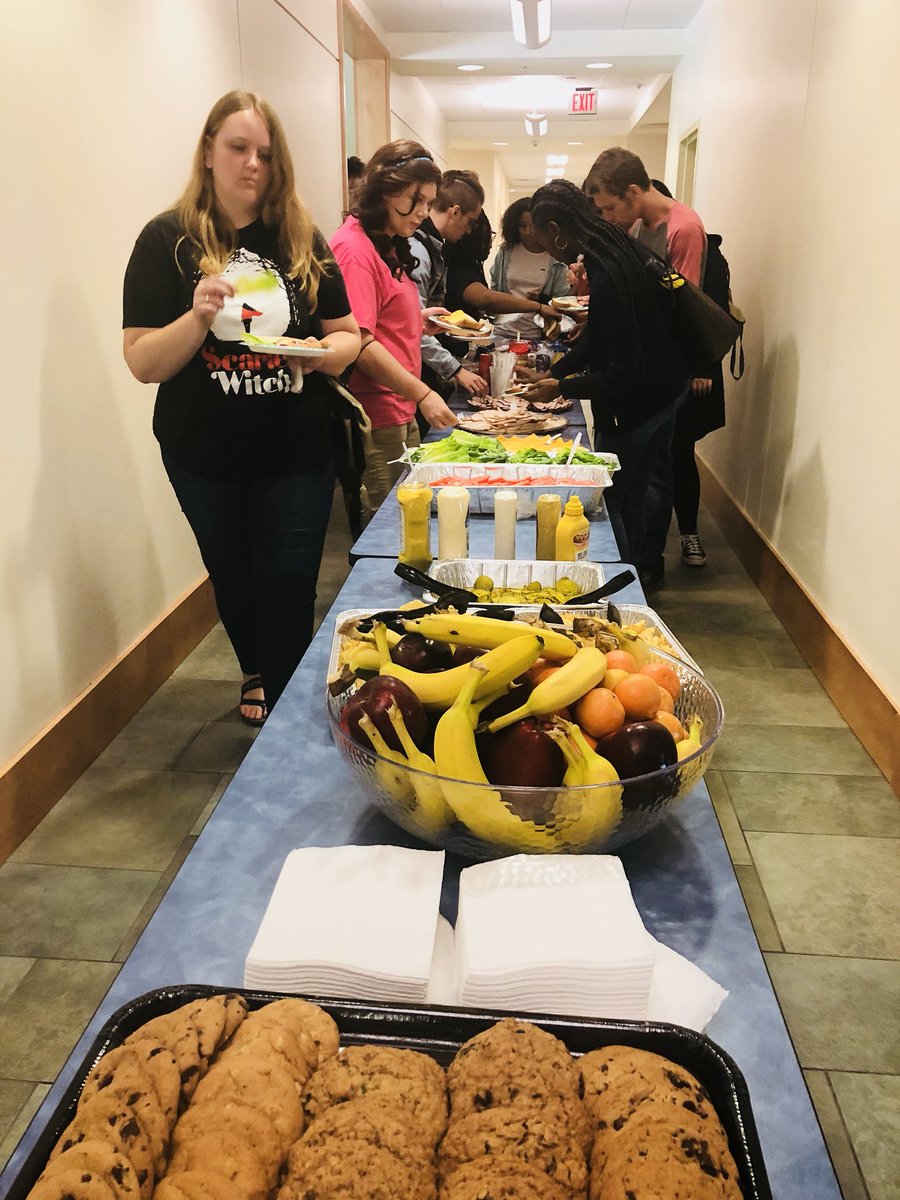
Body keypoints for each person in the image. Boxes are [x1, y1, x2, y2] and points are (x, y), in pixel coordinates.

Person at [123, 90, 362, 725]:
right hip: (203, 455)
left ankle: (286, 716)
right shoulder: (165, 241)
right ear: (208, 152)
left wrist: (320, 352)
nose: (252, 163)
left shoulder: (301, 238)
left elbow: (347, 335)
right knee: (232, 578)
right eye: (237, 147)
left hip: (297, 451)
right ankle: (255, 665)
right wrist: (198, 316)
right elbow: (143, 361)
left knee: (289, 590)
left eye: (265, 152)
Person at [522, 180, 690, 569]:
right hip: (666, 388)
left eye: (541, 236)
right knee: (636, 491)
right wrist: (557, 370)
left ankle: (624, 583)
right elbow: (599, 335)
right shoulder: (612, 245)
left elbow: (624, 373)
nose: (544, 249)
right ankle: (644, 570)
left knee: (612, 499)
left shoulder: (607, 270)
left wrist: (561, 386)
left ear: (555, 232)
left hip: (645, 399)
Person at [585, 149, 712, 582]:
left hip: (667, 373)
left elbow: (683, 305)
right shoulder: (639, 224)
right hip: (648, 370)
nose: (607, 216)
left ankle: (647, 564)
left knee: (653, 476)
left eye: (608, 207)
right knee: (645, 477)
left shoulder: (684, 228)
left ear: (634, 192)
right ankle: (640, 563)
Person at [330, 140, 457, 513]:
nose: (422, 213)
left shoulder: (385, 241)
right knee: (389, 529)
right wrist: (422, 393)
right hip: (377, 412)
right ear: (384, 190)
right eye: (414, 201)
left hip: (398, 406)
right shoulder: (354, 249)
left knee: (409, 518)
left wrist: (417, 322)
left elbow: (379, 316)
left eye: (428, 203)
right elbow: (360, 344)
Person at [409, 168, 488, 402]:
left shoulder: (431, 247)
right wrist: (455, 369)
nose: (470, 231)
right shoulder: (419, 252)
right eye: (471, 223)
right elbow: (412, 326)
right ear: (455, 212)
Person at [443, 211, 563, 333]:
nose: (490, 244)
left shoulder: (471, 263)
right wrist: (539, 307)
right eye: (487, 238)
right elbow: (485, 299)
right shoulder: (459, 265)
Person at [490, 196, 571, 339]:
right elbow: (495, 289)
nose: (527, 232)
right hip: (502, 332)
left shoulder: (555, 259)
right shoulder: (506, 251)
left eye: (532, 225)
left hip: (538, 335)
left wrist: (542, 299)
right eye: (522, 226)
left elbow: (563, 302)